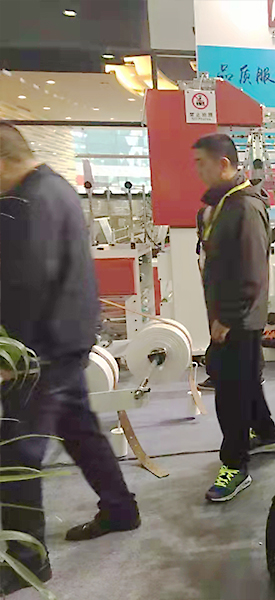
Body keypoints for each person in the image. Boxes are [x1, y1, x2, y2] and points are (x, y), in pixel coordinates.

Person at [0, 123, 140, 594]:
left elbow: (28, 281)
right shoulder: (57, 188)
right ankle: (120, 507)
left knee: (18, 450)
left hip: (41, 347)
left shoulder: (31, 201)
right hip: (69, 336)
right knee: (80, 430)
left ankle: (25, 559)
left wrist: (13, 353)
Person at [193, 133, 275, 503]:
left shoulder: (243, 206)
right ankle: (267, 432)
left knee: (230, 393)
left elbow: (251, 270)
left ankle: (235, 465)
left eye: (201, 163)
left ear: (224, 164)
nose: (197, 171)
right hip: (231, 314)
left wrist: (228, 318)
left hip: (238, 319)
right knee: (245, 380)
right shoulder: (224, 203)